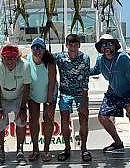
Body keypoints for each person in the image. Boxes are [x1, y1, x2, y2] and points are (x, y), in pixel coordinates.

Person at [90, 33, 130, 166]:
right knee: (102, 116)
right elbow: (94, 71)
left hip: (129, 92)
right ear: (100, 47)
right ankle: (118, 143)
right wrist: (78, 68)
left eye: (109, 43)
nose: (106, 46)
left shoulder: (123, 58)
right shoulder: (100, 60)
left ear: (115, 45)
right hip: (113, 92)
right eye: (103, 44)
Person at [0, 42, 31, 167]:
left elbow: (26, 87)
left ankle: (20, 150)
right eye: (7, 57)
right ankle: (0, 150)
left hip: (18, 96)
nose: (10, 60)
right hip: (1, 97)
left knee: (21, 121)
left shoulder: (25, 66)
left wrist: (23, 108)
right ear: (2, 57)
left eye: (13, 57)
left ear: (17, 57)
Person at [53, 33, 92, 162]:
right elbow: (44, 58)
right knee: (65, 120)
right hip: (65, 93)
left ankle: (84, 148)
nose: (73, 47)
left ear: (79, 45)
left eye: (76, 44)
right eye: (71, 44)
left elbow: (86, 79)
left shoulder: (85, 58)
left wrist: (85, 100)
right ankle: (67, 148)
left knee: (83, 119)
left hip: (81, 93)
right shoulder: (59, 57)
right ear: (66, 45)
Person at [26, 37, 57, 162]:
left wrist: (49, 101)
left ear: (44, 50)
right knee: (33, 121)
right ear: (31, 49)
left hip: (49, 93)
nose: (37, 50)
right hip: (34, 94)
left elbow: (52, 82)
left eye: (40, 48)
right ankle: (35, 149)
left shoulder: (50, 61)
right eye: (35, 47)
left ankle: (46, 150)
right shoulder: (28, 58)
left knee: (48, 119)